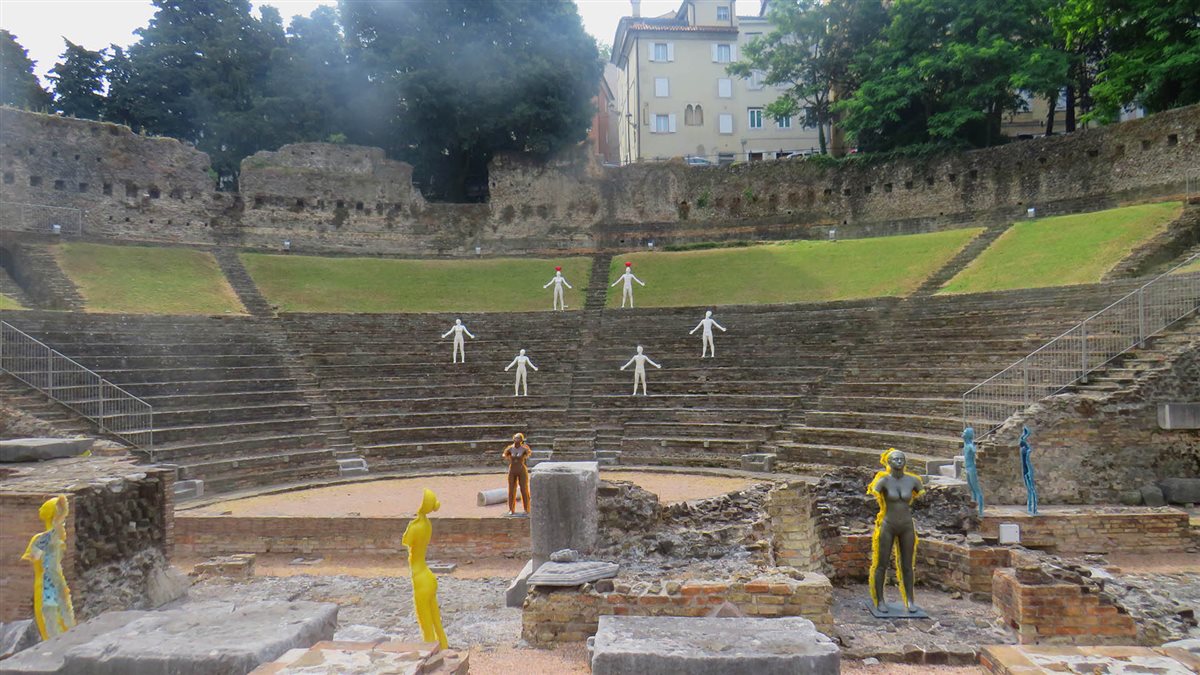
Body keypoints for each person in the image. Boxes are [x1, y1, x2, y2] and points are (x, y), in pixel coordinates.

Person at [867, 448, 924, 615]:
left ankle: (910, 600)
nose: (899, 461)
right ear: (888, 462)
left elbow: (923, 498)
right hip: (888, 524)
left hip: (906, 525)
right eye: (895, 459)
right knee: (881, 563)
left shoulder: (913, 481)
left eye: (901, 459)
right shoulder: (883, 481)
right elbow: (872, 496)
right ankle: (880, 600)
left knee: (907, 565)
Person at [22, 495, 76, 640]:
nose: (63, 522)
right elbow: (34, 558)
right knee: (52, 622)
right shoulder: (43, 539)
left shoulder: (57, 538)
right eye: (60, 517)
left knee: (66, 620)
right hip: (47, 585)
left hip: (58, 582)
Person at [402, 489, 448, 649]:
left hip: (420, 578)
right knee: (436, 621)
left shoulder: (415, 527)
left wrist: (411, 523)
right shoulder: (427, 524)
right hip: (428, 576)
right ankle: (444, 648)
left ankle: (431, 655)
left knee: (426, 626)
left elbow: (406, 541)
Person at [502, 432, 532, 516]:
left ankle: (526, 509)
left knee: (524, 489)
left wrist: (526, 452)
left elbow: (529, 453)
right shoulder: (510, 448)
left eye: (518, 438)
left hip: (521, 469)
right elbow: (504, 454)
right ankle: (511, 509)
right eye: (515, 438)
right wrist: (506, 455)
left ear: (521, 440)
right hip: (512, 469)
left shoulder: (524, 448)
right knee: (511, 489)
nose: (516, 440)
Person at [963, 427, 984, 517]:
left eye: (964, 433)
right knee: (971, 489)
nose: (963, 434)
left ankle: (980, 511)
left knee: (976, 490)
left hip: (971, 469)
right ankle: (974, 508)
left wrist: (975, 448)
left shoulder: (970, 445)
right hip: (967, 469)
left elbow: (975, 451)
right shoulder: (966, 445)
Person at [1020, 426, 1038, 515]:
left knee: (1031, 490)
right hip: (1026, 469)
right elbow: (1021, 439)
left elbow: (1022, 439)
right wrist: (1026, 433)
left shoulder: (1024, 450)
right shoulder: (1024, 450)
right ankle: (1032, 509)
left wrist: (1026, 433)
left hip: (1026, 469)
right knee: (1031, 490)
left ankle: (1033, 509)